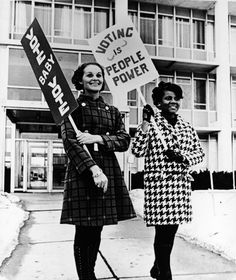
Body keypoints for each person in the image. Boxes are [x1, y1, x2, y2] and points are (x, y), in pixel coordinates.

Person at [60, 62, 136, 280]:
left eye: (99, 75)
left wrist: (98, 138)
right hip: (82, 172)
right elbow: (70, 142)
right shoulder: (70, 109)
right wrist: (93, 169)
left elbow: (123, 140)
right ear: (80, 80)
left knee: (97, 227)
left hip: (108, 170)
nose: (95, 78)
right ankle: (86, 277)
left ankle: (90, 275)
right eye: (90, 75)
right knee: (84, 229)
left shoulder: (111, 111)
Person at [131, 81, 205, 280]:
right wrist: (145, 123)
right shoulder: (151, 126)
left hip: (179, 187)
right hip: (160, 187)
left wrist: (182, 158)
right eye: (168, 98)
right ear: (158, 103)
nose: (173, 102)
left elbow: (199, 153)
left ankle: (158, 266)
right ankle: (165, 273)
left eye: (176, 98)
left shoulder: (187, 127)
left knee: (170, 233)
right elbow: (137, 151)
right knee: (162, 233)